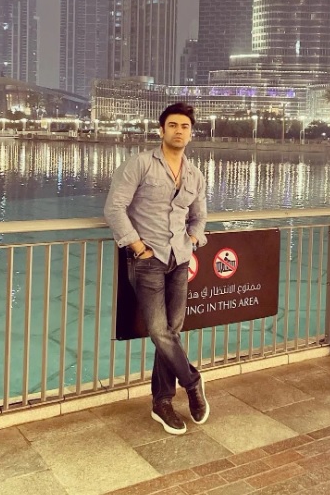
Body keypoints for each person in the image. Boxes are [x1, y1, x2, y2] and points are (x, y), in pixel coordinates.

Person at [104, 102, 209, 435]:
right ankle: (192, 382)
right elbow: (114, 208)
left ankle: (162, 402)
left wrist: (194, 237)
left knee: (171, 333)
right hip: (148, 259)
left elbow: (199, 215)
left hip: (180, 260)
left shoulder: (195, 174)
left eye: (185, 127)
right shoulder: (140, 164)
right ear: (161, 130)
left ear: (191, 134)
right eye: (173, 125)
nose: (179, 131)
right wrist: (137, 246)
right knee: (159, 331)